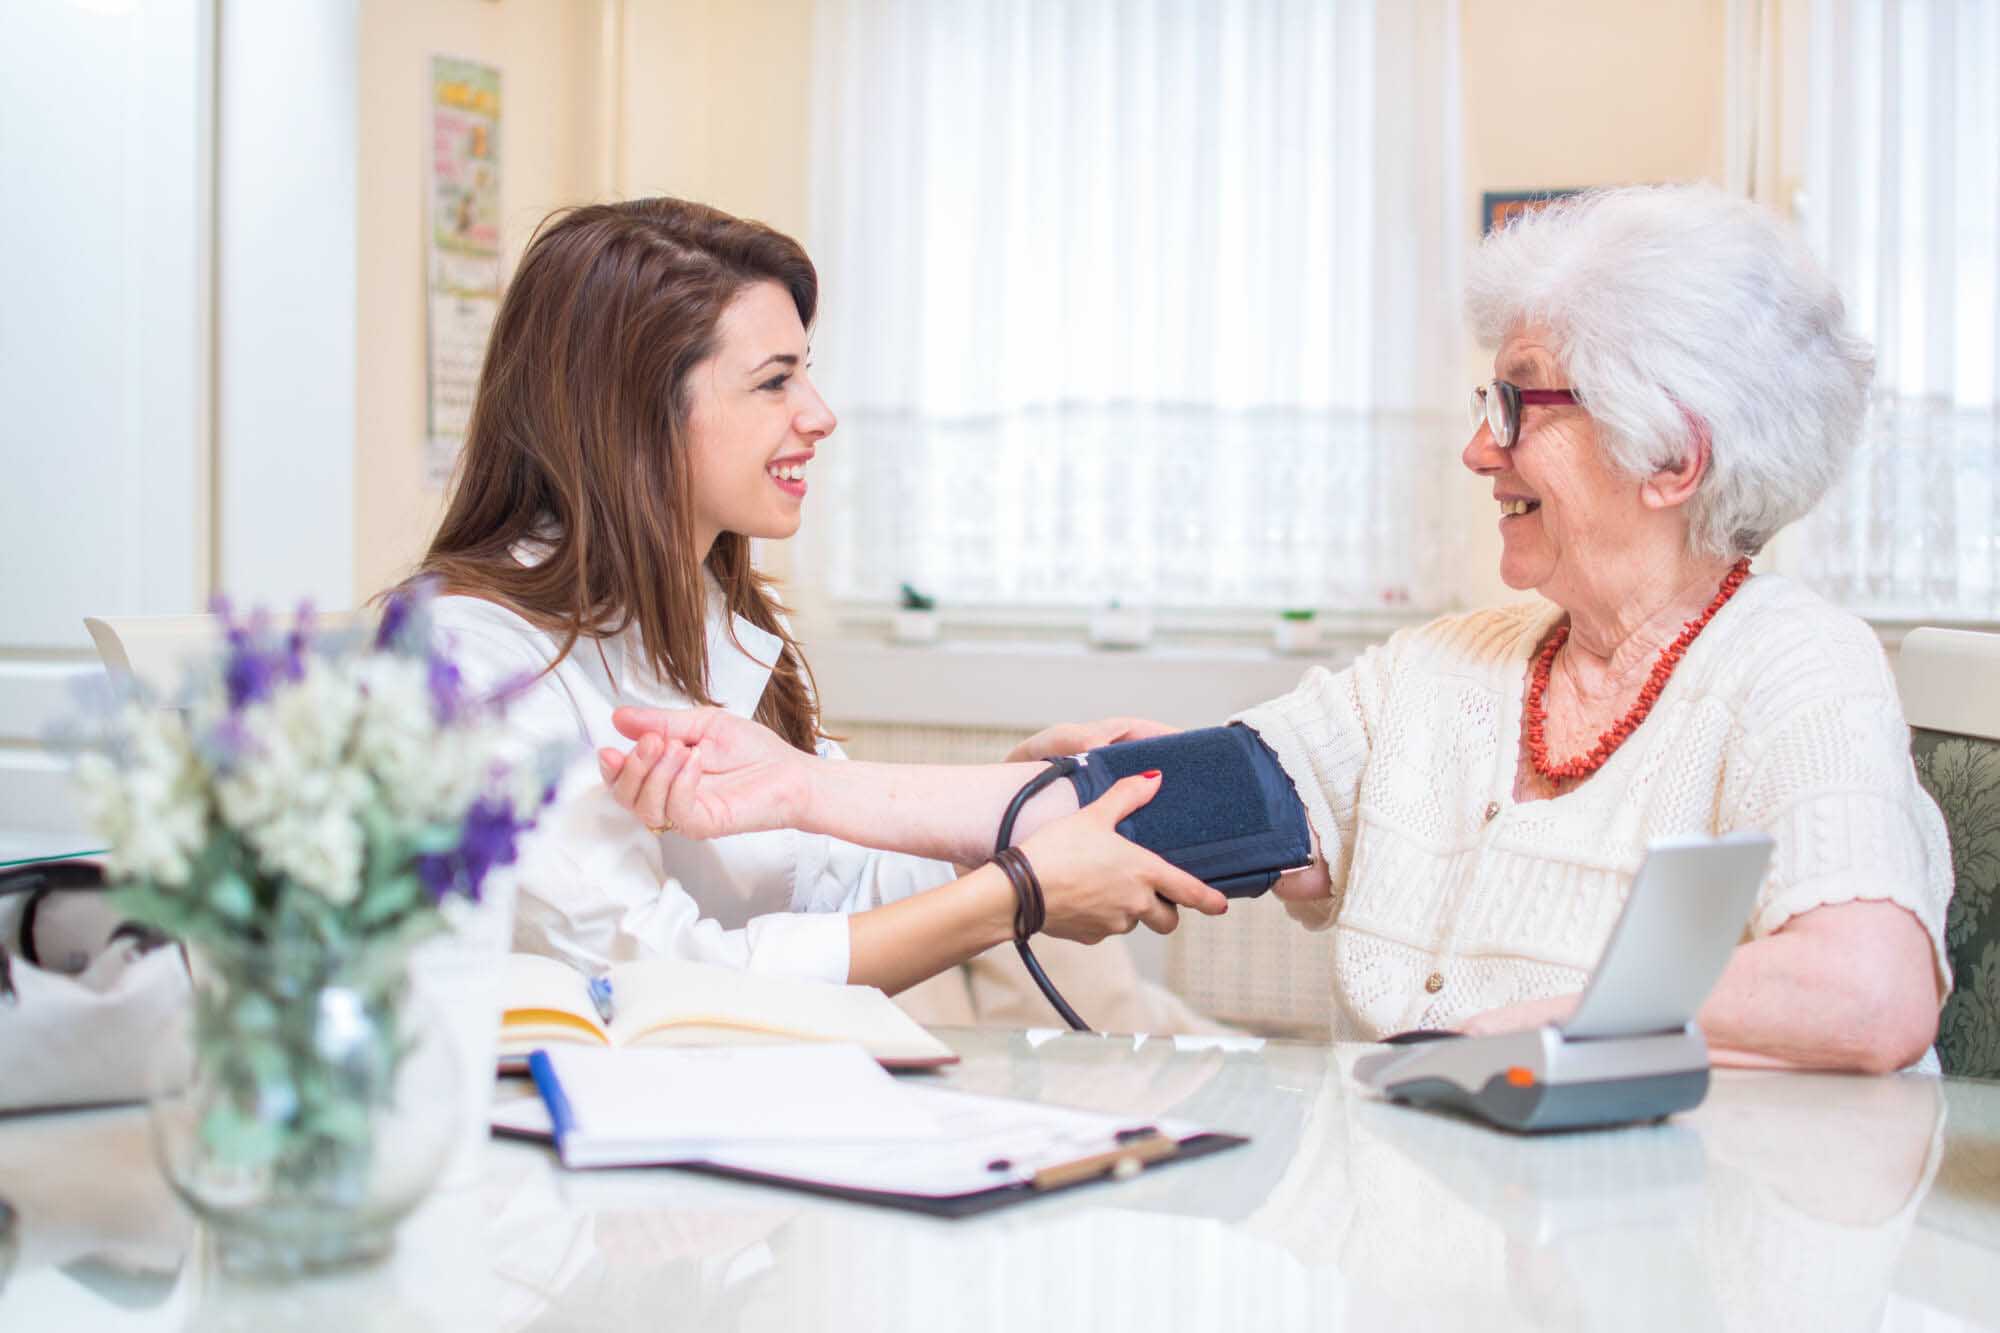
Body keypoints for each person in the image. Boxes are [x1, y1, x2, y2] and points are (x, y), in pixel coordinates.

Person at [603, 185, 1952, 1072]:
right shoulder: (1455, 669)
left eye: (1522, 405)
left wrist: (1541, 1027)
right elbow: (1149, 807)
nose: (1481, 450)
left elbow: (1873, 992)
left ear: (1673, 458)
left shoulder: (1793, 666)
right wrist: (794, 790)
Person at [408, 196, 1226, 993]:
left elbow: (837, 885)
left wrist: (1013, 803)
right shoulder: (465, 660)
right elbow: (648, 971)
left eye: (808, 375)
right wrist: (1019, 888)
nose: (820, 415)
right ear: (634, 414)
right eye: (775, 382)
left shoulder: (714, 620)